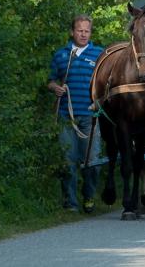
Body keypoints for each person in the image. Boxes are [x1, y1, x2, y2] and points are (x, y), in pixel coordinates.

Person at [48, 14, 104, 213]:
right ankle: (70, 203)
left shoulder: (99, 54)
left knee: (93, 162)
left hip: (90, 117)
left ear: (91, 32)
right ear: (72, 32)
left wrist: (100, 101)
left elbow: (106, 82)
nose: (83, 34)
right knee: (67, 161)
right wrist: (56, 88)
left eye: (86, 31)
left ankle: (89, 197)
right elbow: (51, 80)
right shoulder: (61, 55)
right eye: (79, 30)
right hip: (66, 117)